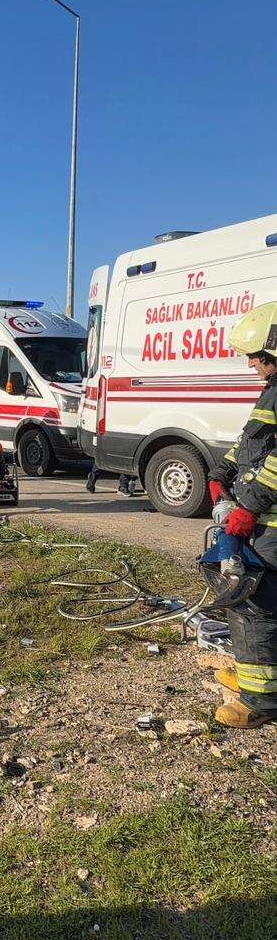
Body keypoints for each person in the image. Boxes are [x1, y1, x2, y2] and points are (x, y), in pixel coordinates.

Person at [207, 301, 277, 729]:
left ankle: (260, 699)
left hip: (269, 519)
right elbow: (254, 445)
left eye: (258, 356)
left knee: (252, 600)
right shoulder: (272, 391)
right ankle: (256, 670)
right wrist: (223, 471)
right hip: (265, 516)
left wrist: (248, 505)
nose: (251, 363)